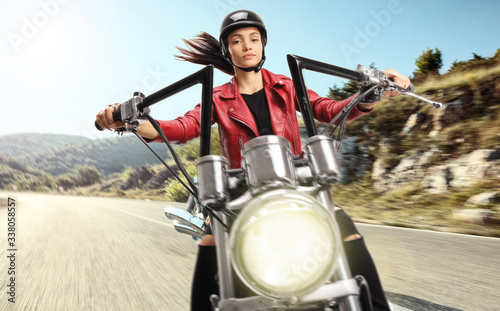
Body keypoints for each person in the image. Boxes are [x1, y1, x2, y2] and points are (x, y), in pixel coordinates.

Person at [96, 10, 411, 311]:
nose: (246, 45)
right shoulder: (216, 97)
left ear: (263, 46)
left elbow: (330, 110)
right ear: (227, 50)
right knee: (209, 244)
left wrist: (371, 95)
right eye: (236, 40)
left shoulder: (288, 86)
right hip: (238, 196)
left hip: (296, 187)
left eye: (253, 38)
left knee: (345, 228)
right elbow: (181, 128)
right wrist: (132, 121)